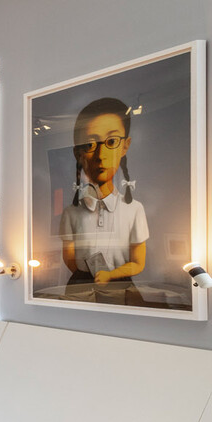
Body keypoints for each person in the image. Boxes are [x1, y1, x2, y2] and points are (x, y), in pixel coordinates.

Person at [59, 96, 147, 287]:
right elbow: (69, 257)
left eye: (112, 141)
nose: (100, 156)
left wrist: (111, 275)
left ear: (125, 146)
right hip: (80, 287)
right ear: (78, 153)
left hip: (120, 288)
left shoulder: (134, 209)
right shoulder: (71, 212)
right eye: (90, 144)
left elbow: (139, 262)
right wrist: (89, 277)